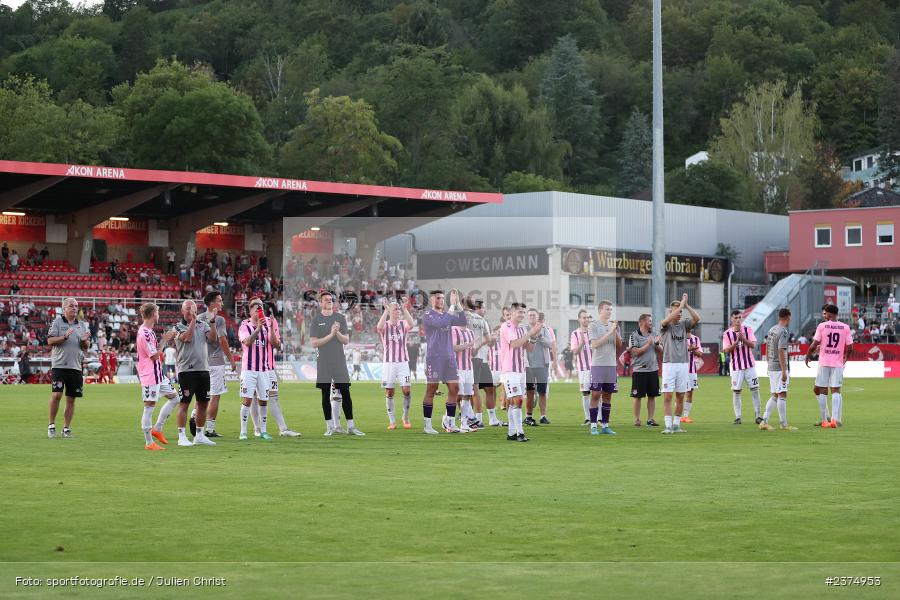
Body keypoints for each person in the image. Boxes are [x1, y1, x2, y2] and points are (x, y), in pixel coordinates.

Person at [310, 291, 363, 436]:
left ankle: (351, 427)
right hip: (324, 361)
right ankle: (330, 427)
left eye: (331, 300)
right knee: (325, 393)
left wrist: (337, 333)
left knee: (346, 392)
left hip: (339, 360)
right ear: (320, 303)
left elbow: (346, 340)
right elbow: (314, 343)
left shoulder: (340, 318)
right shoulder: (316, 320)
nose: (329, 302)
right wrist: (331, 335)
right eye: (326, 300)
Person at [190, 291, 238, 438]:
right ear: (211, 303)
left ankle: (193, 415)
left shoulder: (197, 318)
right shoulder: (219, 319)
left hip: (201, 363)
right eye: (219, 301)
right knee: (215, 396)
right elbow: (222, 340)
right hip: (216, 362)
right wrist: (231, 359)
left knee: (200, 395)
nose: (222, 304)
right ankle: (210, 429)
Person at [421, 289, 468, 434]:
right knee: (432, 389)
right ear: (431, 300)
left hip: (449, 356)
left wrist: (458, 304)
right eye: (437, 298)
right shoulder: (428, 315)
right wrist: (452, 307)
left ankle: (451, 424)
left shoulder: (448, 314)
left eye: (442, 298)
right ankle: (427, 425)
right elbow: (441, 323)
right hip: (434, 357)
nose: (440, 300)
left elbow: (462, 321)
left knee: (454, 388)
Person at [171, 299, 217, 446]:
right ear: (182, 311)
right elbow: (188, 338)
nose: (191, 312)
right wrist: (193, 321)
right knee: (184, 404)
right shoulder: (177, 327)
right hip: (187, 371)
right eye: (188, 309)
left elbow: (213, 339)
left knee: (203, 404)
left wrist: (213, 322)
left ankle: (199, 434)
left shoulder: (203, 325)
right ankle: (181, 436)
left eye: (194, 309)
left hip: (203, 370)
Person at [136, 303, 178, 450]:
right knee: (149, 407)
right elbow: (153, 355)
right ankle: (149, 443)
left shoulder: (149, 331)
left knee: (175, 397)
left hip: (158, 374)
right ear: (153, 314)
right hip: (150, 376)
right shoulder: (145, 333)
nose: (158, 315)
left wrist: (163, 343)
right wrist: (165, 340)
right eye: (158, 313)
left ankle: (157, 429)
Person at [46, 298, 90, 439]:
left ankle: (66, 428)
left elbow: (86, 346)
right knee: (57, 395)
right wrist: (64, 336)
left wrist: (84, 341)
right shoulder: (57, 322)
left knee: (71, 398)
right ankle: (51, 424)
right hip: (59, 365)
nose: (74, 308)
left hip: (76, 366)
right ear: (64, 308)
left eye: (76, 306)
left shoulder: (81, 325)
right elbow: (50, 341)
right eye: (71, 306)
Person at [659, 294, 701, 434]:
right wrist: (681, 305)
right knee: (668, 396)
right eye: (676, 311)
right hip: (669, 364)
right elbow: (667, 321)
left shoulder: (684, 325)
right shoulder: (664, 325)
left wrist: (687, 305)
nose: (679, 314)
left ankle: (676, 425)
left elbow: (697, 318)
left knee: (681, 395)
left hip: (683, 364)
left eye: (680, 312)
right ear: (670, 312)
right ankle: (667, 425)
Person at [806, 304, 853, 428]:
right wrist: (845, 358)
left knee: (822, 389)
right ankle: (834, 419)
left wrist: (808, 355)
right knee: (836, 390)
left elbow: (813, 344)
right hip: (837, 363)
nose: (824, 315)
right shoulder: (845, 327)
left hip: (824, 362)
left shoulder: (822, 326)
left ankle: (824, 420)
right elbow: (850, 347)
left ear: (830, 314)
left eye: (825, 313)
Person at [499, 303, 541, 441]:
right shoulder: (507, 326)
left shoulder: (522, 328)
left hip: (520, 369)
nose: (522, 315)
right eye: (519, 312)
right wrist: (530, 332)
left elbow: (528, 348)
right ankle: (520, 433)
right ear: (511, 313)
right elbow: (515, 344)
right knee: (518, 400)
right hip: (510, 369)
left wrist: (534, 336)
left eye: (523, 312)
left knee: (513, 401)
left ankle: (511, 433)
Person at [237, 297, 274, 440]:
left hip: (264, 370)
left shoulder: (266, 327)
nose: (260, 311)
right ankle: (243, 431)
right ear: (250, 311)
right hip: (249, 369)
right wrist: (258, 328)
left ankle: (263, 431)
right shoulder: (244, 326)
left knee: (264, 400)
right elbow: (247, 342)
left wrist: (270, 327)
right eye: (256, 309)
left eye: (261, 309)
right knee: (247, 400)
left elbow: (275, 344)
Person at [377, 298, 414, 430]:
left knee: (407, 390)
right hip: (389, 363)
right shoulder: (385, 325)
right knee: (390, 392)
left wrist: (405, 308)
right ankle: (392, 421)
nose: (398, 310)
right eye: (396, 308)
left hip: (403, 362)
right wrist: (385, 311)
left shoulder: (403, 324)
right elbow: (379, 327)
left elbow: (412, 324)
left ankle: (405, 417)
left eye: (399, 309)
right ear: (389, 311)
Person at [588, 300, 623, 436]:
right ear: (600, 311)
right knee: (596, 394)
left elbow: (619, 344)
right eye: (607, 309)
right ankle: (593, 426)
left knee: (608, 396)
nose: (609, 311)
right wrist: (610, 332)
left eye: (610, 309)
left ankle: (605, 426)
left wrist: (615, 331)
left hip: (611, 365)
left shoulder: (613, 326)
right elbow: (595, 344)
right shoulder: (594, 325)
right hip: (598, 365)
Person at [760, 308, 798, 431]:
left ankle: (764, 421)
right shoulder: (783, 331)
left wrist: (768, 362)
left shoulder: (772, 329)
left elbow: (766, 347)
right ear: (788, 317)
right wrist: (784, 370)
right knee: (782, 394)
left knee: (775, 394)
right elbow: (781, 350)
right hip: (778, 367)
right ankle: (783, 424)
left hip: (771, 366)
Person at [723, 310, 762, 425]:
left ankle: (758, 415)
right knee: (736, 391)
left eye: (740, 317)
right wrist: (736, 342)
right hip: (736, 367)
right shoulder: (727, 334)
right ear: (731, 319)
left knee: (755, 390)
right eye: (735, 318)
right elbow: (726, 350)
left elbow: (753, 345)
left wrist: (743, 339)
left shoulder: (747, 329)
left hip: (749, 365)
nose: (738, 320)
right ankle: (738, 417)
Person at [628, 314, 661, 427]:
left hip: (653, 369)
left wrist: (656, 344)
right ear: (642, 322)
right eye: (649, 321)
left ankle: (650, 419)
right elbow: (635, 352)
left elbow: (661, 350)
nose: (651, 323)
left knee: (652, 395)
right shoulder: (634, 335)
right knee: (638, 396)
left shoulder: (654, 334)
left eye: (651, 321)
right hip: (639, 371)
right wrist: (648, 344)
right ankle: (637, 419)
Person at [524, 308, 553, 426]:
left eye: (533, 315)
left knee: (542, 392)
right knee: (529, 391)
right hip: (528, 365)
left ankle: (543, 416)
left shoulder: (544, 329)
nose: (531, 317)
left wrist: (540, 336)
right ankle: (528, 416)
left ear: (537, 317)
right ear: (527, 317)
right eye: (530, 315)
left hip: (542, 365)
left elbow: (550, 344)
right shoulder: (523, 329)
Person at [466, 298, 491, 428]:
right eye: (484, 307)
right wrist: (478, 346)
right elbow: (488, 339)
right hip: (479, 356)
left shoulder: (467, 317)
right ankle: (475, 417)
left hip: (467, 356)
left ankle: (475, 418)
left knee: (470, 387)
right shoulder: (482, 321)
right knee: (473, 387)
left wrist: (473, 347)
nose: (485, 310)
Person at [451, 318, 478, 433]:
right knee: (457, 396)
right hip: (457, 368)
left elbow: (473, 352)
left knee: (467, 395)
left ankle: (464, 424)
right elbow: (452, 348)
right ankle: (448, 421)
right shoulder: (453, 330)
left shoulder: (470, 332)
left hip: (468, 368)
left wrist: (477, 346)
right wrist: (469, 344)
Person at [569, 310, 593, 425]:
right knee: (585, 392)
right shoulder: (575, 334)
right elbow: (575, 351)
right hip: (584, 368)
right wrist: (582, 343)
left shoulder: (594, 331)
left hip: (596, 367)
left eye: (588, 317)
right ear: (579, 319)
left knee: (598, 392)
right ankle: (588, 418)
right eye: (584, 318)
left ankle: (598, 418)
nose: (586, 319)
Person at [681, 327, 703, 423]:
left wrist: (693, 350)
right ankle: (678, 416)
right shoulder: (679, 337)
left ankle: (685, 416)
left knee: (690, 393)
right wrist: (688, 348)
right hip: (681, 369)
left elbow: (700, 354)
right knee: (680, 392)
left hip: (692, 370)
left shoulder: (696, 339)